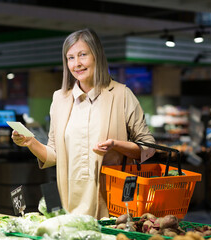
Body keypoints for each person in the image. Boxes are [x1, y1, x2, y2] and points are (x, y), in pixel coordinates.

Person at [12, 28, 155, 219]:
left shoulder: (121, 95)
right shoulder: (60, 99)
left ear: (96, 56)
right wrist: (31, 142)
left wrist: (117, 145)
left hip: (112, 202)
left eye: (82, 55)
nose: (76, 63)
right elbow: (54, 154)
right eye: (70, 58)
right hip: (69, 202)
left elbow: (148, 148)